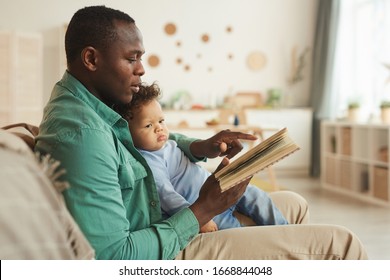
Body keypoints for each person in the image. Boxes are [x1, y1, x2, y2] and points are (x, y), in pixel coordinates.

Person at [35, 5, 368, 260]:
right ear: (91, 58)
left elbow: (150, 144)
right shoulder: (82, 135)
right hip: (160, 250)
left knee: (293, 203)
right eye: (131, 58)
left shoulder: (95, 104)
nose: (141, 69)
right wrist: (203, 209)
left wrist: (199, 146)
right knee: (341, 244)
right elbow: (113, 258)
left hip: (161, 220)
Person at [115, 83, 288, 233]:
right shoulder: (149, 162)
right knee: (237, 233)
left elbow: (189, 144)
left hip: (221, 188)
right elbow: (168, 197)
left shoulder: (168, 143)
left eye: (161, 121)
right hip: (207, 210)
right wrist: (199, 220)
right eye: (148, 125)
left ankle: (286, 231)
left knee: (258, 197)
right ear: (127, 133)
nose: (159, 129)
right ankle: (270, 240)